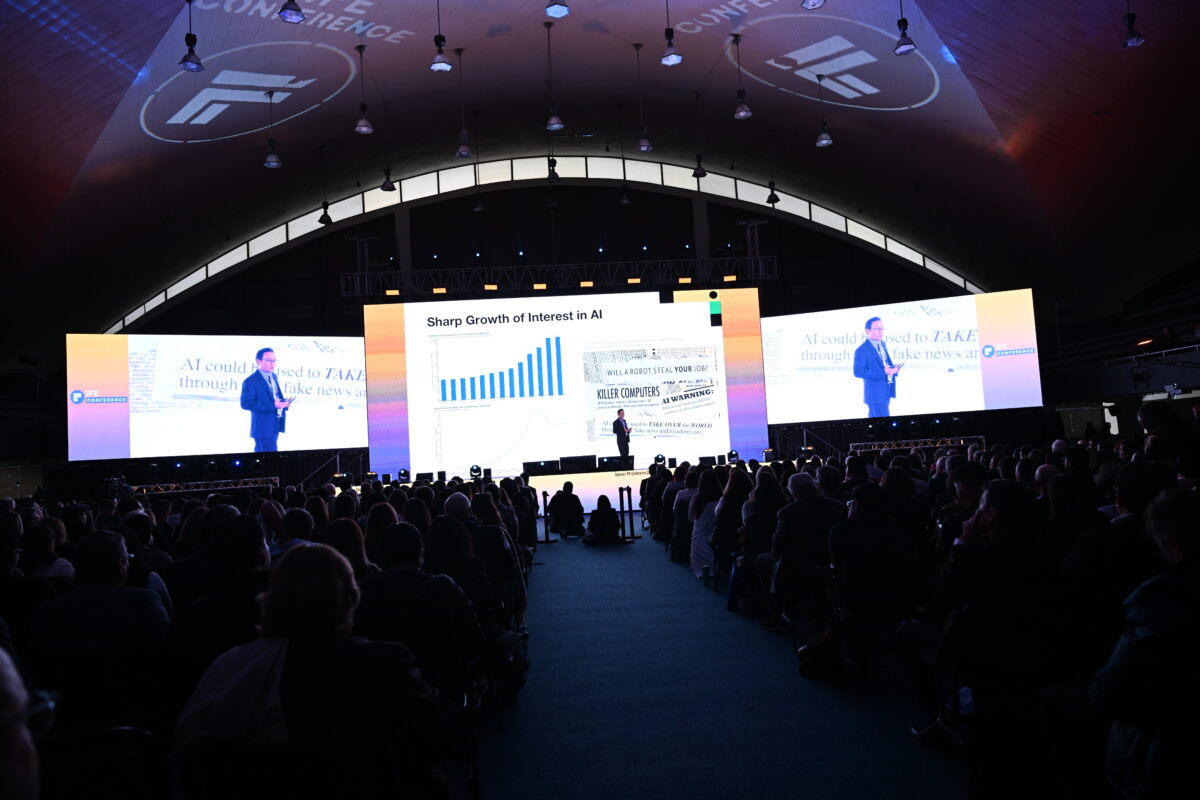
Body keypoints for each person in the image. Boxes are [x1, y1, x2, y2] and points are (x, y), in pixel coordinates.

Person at [239, 347, 292, 453]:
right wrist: (274, 405)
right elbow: (245, 403)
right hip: (262, 428)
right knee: (268, 459)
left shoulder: (274, 377)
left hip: (275, 424)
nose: (273, 363)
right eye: (269, 360)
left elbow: (275, 396)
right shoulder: (250, 381)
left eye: (274, 360)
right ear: (258, 361)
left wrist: (283, 403)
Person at [852, 316, 900, 418]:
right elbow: (858, 371)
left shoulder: (882, 344)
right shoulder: (861, 350)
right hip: (875, 395)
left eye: (882, 328)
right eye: (877, 329)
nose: (881, 331)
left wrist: (893, 369)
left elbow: (885, 364)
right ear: (867, 331)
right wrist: (883, 371)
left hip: (885, 390)